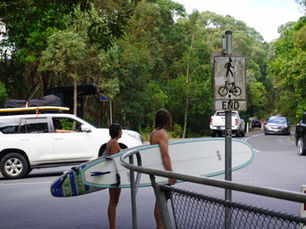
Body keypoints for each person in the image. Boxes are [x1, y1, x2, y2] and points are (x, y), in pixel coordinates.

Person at [150, 109, 176, 229]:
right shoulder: (161, 134)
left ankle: (159, 226)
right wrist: (170, 173)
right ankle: (160, 227)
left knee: (159, 202)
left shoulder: (153, 133)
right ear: (166, 120)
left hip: (156, 173)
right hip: (163, 174)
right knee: (162, 203)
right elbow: (164, 155)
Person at [106, 123, 122, 229]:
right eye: (121, 130)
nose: (122, 132)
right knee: (113, 201)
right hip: (114, 175)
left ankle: (112, 226)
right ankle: (112, 227)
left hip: (112, 174)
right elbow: (115, 160)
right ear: (117, 131)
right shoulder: (115, 143)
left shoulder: (109, 142)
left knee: (113, 201)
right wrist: (119, 176)